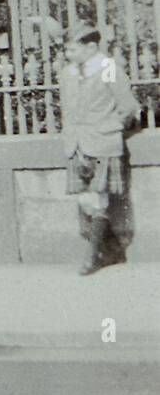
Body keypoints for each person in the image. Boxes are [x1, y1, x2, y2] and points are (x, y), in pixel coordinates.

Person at [60, 25, 140, 276]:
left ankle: (95, 257)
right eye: (67, 49)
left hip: (102, 142)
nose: (68, 54)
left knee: (98, 199)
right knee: (85, 200)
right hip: (77, 143)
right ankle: (114, 250)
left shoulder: (108, 70)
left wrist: (109, 127)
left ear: (91, 47)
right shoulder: (67, 74)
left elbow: (128, 107)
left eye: (73, 49)